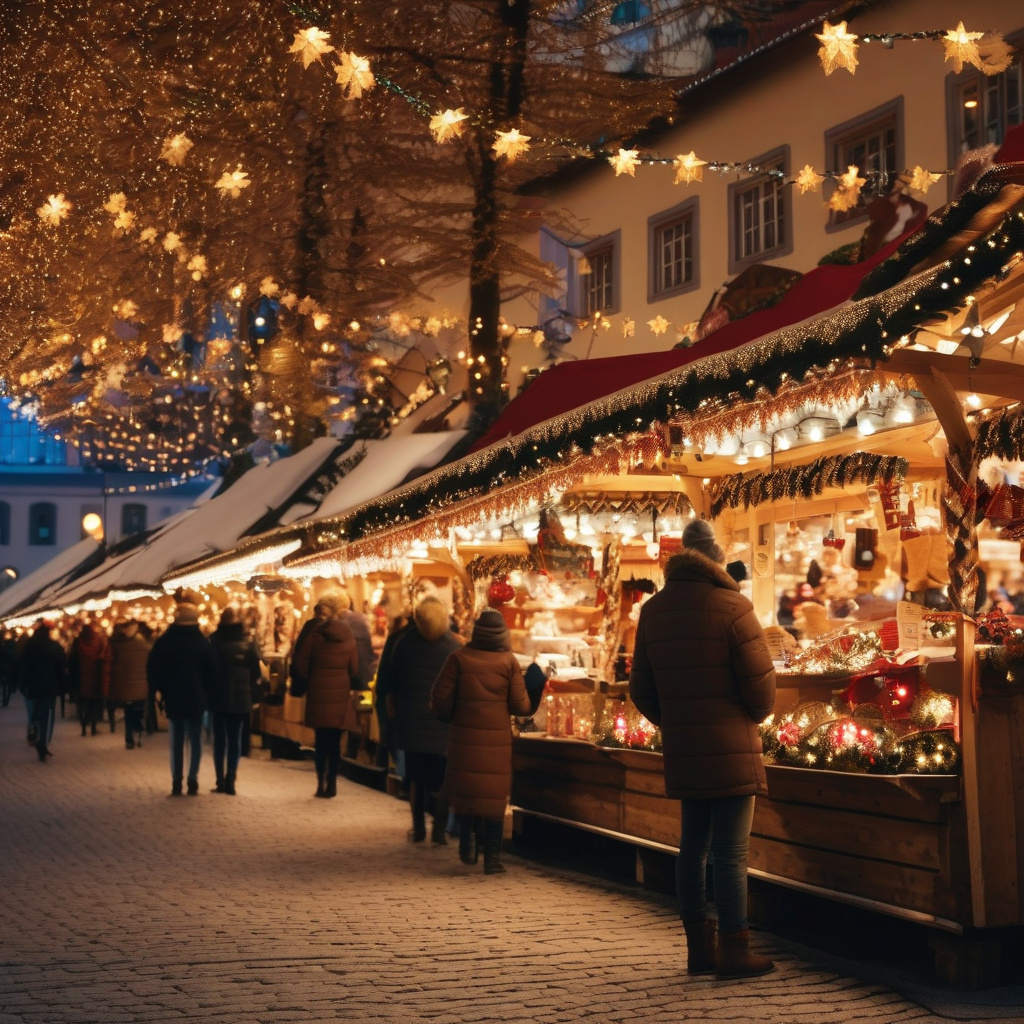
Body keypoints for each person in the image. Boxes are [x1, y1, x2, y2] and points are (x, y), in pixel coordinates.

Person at [629, 517, 776, 980]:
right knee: (731, 853)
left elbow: (641, 689)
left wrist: (677, 722)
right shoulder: (734, 606)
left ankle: (699, 950)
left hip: (685, 748)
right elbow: (761, 690)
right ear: (716, 563)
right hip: (732, 746)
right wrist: (747, 716)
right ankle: (734, 949)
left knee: (692, 849)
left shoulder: (653, 611)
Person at [430, 608, 533, 875]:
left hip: (463, 739)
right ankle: (492, 859)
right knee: (493, 796)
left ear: (477, 632)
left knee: (467, 792)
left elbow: (440, 698)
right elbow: (521, 706)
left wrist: (448, 714)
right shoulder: (509, 662)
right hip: (497, 742)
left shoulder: (458, 658)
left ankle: (467, 847)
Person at [382, 596, 460, 845]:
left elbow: (390, 681)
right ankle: (439, 829)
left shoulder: (404, 644)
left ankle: (418, 829)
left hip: (411, 723)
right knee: (442, 778)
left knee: (416, 777)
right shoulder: (453, 647)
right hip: (442, 723)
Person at [146, 599, 218, 796]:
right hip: (197, 697)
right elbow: (213, 673)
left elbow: (153, 670)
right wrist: (209, 695)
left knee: (176, 740)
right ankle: (192, 779)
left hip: (174, 696)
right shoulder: (203, 644)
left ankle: (176, 779)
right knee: (195, 739)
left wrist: (159, 691)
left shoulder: (164, 642)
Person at [291, 593, 360, 799]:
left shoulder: (314, 635)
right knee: (335, 743)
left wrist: (312, 677)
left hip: (318, 694)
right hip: (340, 696)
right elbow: (354, 668)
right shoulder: (348, 636)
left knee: (321, 742)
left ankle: (320, 783)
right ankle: (332, 783)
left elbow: (300, 663)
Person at [208, 607, 262, 795]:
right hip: (241, 696)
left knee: (219, 740)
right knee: (235, 739)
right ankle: (231, 778)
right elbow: (256, 671)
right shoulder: (249, 641)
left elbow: (209, 669)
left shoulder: (214, 640)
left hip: (218, 695)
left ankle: (220, 781)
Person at [18, 621, 67, 762]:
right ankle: (43, 742)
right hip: (48, 686)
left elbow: (23, 666)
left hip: (32, 685)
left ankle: (33, 732)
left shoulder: (30, 646)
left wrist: (22, 684)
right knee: (45, 715)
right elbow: (60, 665)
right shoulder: (52, 646)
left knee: (33, 712)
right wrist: (62, 686)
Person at [108, 620, 153, 749]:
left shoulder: (117, 645)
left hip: (126, 683)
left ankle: (129, 738)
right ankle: (137, 728)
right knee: (138, 708)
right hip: (141, 683)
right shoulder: (144, 645)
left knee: (128, 710)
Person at [70, 619, 111, 737]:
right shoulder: (98, 642)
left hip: (82, 678)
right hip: (95, 678)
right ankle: (93, 727)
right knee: (94, 704)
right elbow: (104, 657)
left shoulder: (78, 643)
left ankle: (83, 725)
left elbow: (73, 659)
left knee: (83, 704)